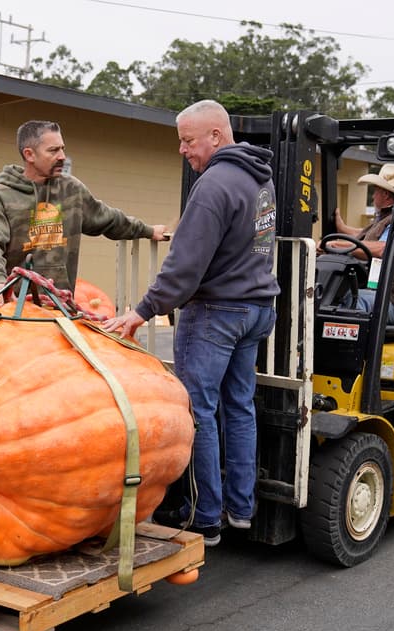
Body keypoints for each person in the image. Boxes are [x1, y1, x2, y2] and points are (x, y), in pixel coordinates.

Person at [102, 100, 280, 547]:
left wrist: (143, 310)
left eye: (187, 140)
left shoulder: (213, 184)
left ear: (216, 136)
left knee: (196, 411)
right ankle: (240, 509)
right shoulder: (262, 179)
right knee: (239, 406)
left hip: (217, 313)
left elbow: (185, 264)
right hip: (257, 309)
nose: (182, 150)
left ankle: (204, 517)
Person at [0, 120, 169, 306]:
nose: (62, 156)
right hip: (13, 307)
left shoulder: (72, 190)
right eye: (53, 150)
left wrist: (148, 230)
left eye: (62, 148)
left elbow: (109, 219)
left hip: (60, 306)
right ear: (29, 155)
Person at [331, 163, 394, 324]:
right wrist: (342, 228)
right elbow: (367, 236)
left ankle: (341, 349)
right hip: (381, 293)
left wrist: (335, 246)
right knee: (331, 294)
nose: (373, 197)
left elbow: (383, 248)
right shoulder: (389, 217)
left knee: (346, 302)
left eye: (375, 191)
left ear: (385, 194)